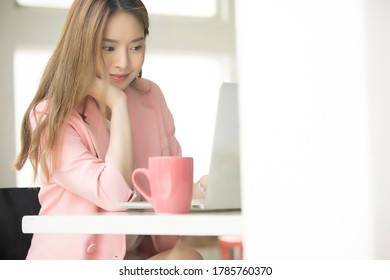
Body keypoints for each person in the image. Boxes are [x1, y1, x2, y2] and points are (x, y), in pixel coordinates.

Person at [14, 0, 206, 260]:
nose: (123, 63)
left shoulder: (151, 98)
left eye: (136, 47)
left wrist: (204, 190)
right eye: (108, 48)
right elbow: (114, 194)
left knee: (191, 258)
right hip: (75, 266)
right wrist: (118, 103)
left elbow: (166, 190)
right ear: (81, 45)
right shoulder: (50, 116)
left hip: (133, 260)